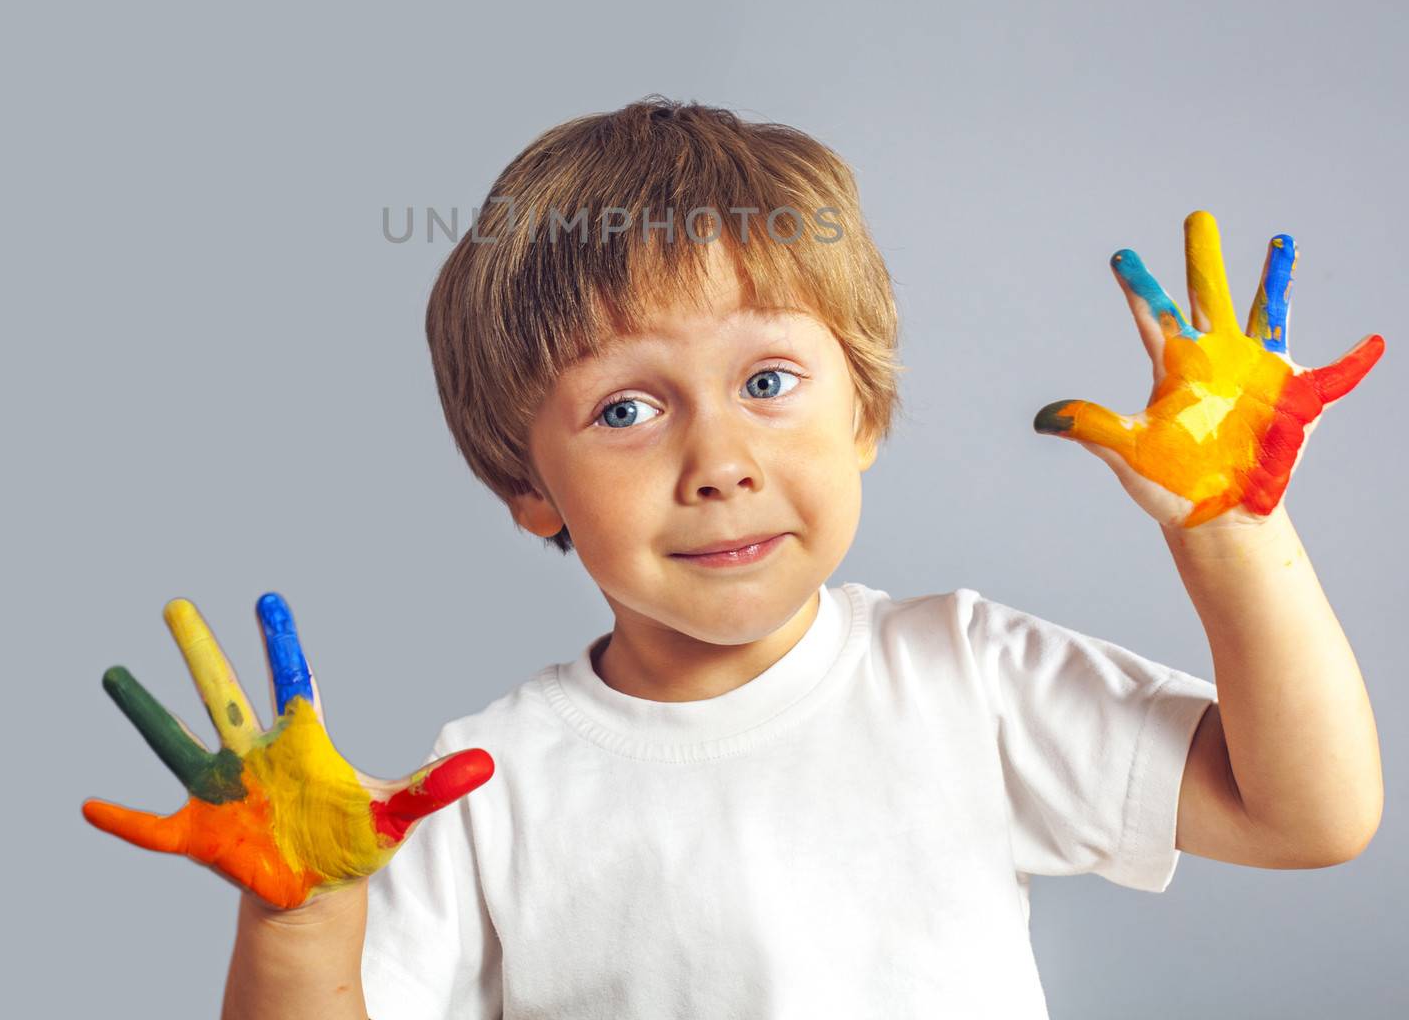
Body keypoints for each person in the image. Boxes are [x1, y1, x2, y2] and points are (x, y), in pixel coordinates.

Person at [85, 95, 1386, 1020]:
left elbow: (1308, 813)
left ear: (864, 411)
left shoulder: (965, 677)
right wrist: (300, 916)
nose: (718, 458)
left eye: (769, 379)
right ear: (526, 487)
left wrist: (1235, 531)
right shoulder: (482, 790)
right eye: (627, 410)